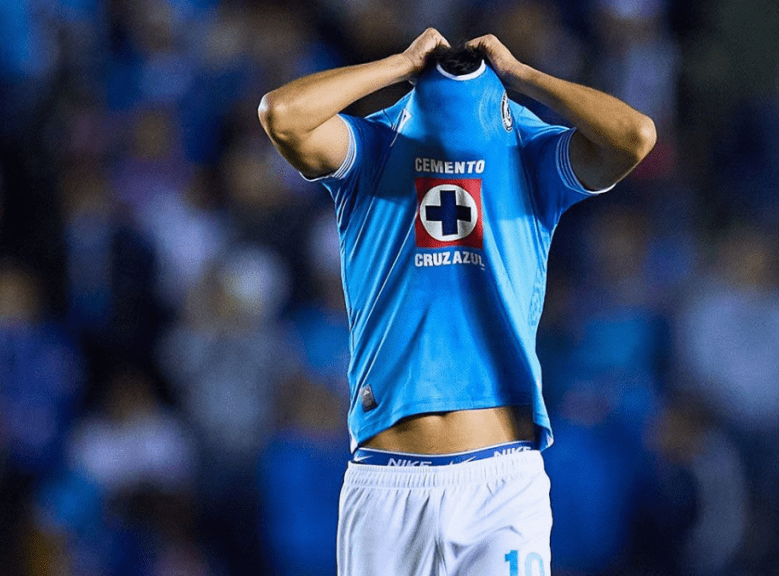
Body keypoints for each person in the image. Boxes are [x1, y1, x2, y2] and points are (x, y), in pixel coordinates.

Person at [258, 27, 655, 576]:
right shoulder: (376, 145)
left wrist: (522, 74)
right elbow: (281, 114)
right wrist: (399, 64)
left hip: (501, 484)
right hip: (388, 479)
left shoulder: (529, 150)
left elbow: (634, 135)